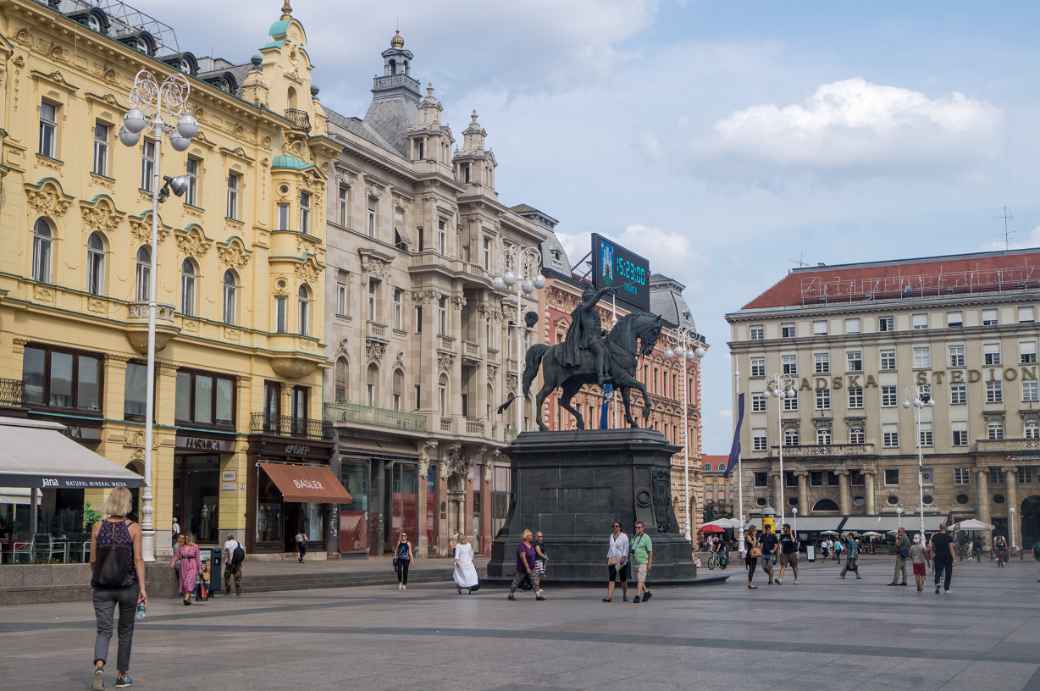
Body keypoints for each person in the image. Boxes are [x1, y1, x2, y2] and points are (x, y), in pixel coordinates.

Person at [90, 487, 147, 690]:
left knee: (104, 630)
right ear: (127, 503)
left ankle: (99, 667)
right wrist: (143, 588)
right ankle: (122, 676)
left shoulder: (97, 527)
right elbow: (138, 559)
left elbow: (93, 561)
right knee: (125, 631)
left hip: (102, 587)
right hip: (127, 586)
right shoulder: (134, 528)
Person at [508, 529, 544, 601]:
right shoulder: (521, 546)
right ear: (526, 536)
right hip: (522, 568)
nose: (531, 536)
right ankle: (511, 594)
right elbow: (523, 558)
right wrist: (527, 567)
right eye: (530, 535)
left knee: (535, 581)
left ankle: (538, 595)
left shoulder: (531, 545)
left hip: (532, 567)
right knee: (517, 581)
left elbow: (534, 555)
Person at [170, 533, 201, 606]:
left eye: (188, 538)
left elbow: (198, 558)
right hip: (183, 565)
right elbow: (177, 556)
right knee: (184, 582)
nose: (186, 540)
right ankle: (188, 599)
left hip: (192, 564)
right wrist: (173, 562)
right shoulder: (181, 547)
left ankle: (186, 598)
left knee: (189, 580)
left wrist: (199, 568)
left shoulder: (195, 547)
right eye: (185, 538)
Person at [603, 520, 630, 603]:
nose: (615, 527)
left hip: (621, 560)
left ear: (620, 527)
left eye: (617, 526)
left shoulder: (624, 536)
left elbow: (626, 547)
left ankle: (625, 595)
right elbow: (611, 548)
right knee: (611, 577)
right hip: (612, 559)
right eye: (614, 526)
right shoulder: (611, 536)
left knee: (623, 579)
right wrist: (609, 557)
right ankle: (609, 596)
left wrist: (624, 557)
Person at [630, 520, 653, 603]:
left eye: (639, 527)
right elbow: (632, 547)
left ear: (643, 528)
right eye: (636, 527)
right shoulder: (634, 537)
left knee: (640, 580)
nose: (637, 529)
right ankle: (647, 593)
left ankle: (637, 596)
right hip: (635, 562)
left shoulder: (646, 538)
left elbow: (650, 551)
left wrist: (649, 563)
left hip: (643, 562)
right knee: (640, 579)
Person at [929, 523, 956, 594]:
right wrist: (954, 558)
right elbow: (951, 548)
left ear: (939, 528)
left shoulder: (934, 537)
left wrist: (932, 555)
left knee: (938, 571)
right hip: (947, 556)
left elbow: (932, 548)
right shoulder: (948, 537)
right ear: (945, 528)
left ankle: (937, 583)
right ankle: (946, 588)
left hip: (938, 556)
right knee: (948, 572)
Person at [744, 525, 761, 590]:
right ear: (752, 530)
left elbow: (757, 545)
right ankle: (749, 584)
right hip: (750, 555)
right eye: (755, 530)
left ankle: (750, 583)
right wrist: (754, 538)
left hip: (754, 554)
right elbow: (753, 544)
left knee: (753, 569)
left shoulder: (754, 537)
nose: (756, 531)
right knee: (751, 569)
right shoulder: (748, 537)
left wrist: (758, 543)